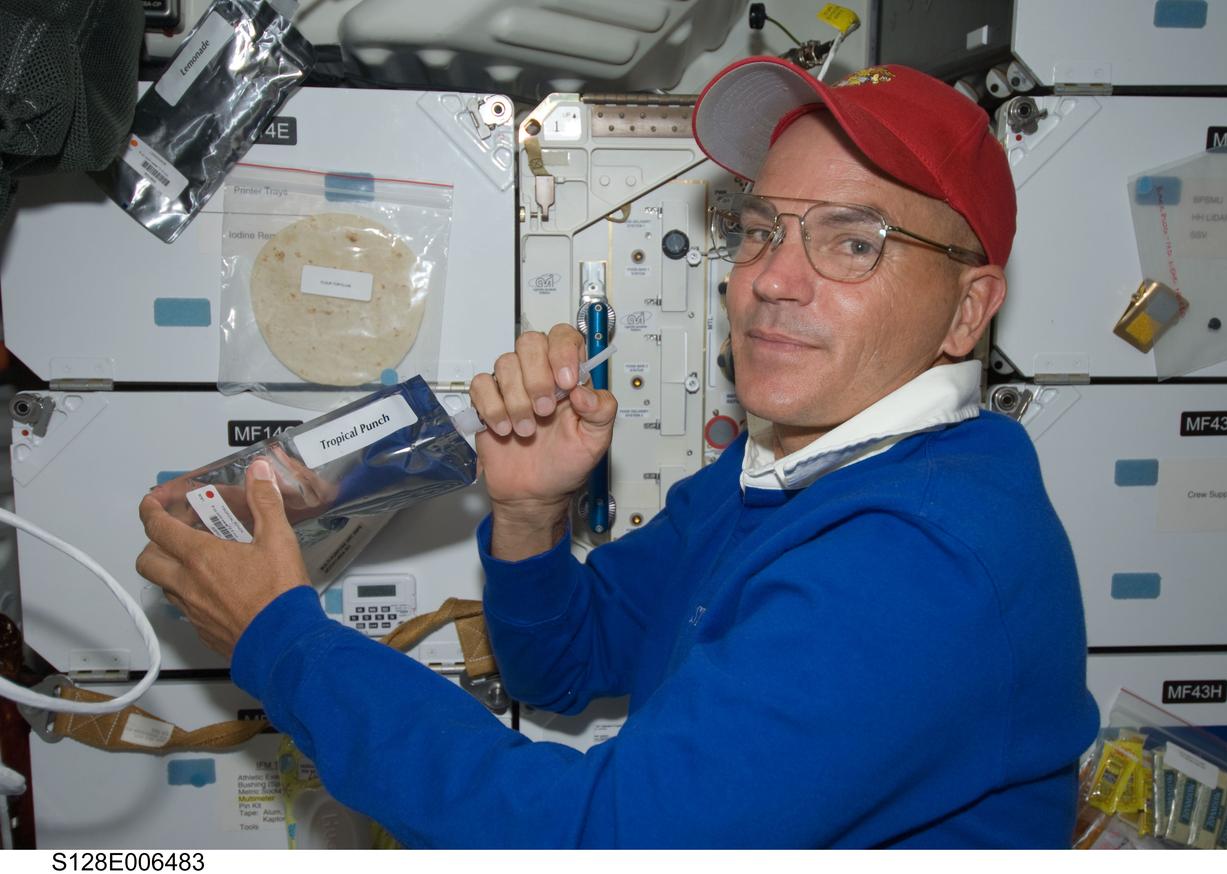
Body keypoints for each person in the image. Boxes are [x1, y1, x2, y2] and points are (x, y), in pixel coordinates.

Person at [136, 58, 1099, 848]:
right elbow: (566, 664)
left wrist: (284, 641)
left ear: (967, 309)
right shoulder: (788, 468)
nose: (769, 279)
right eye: (760, 228)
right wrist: (527, 517)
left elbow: (598, 843)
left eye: (853, 244)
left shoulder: (917, 560)